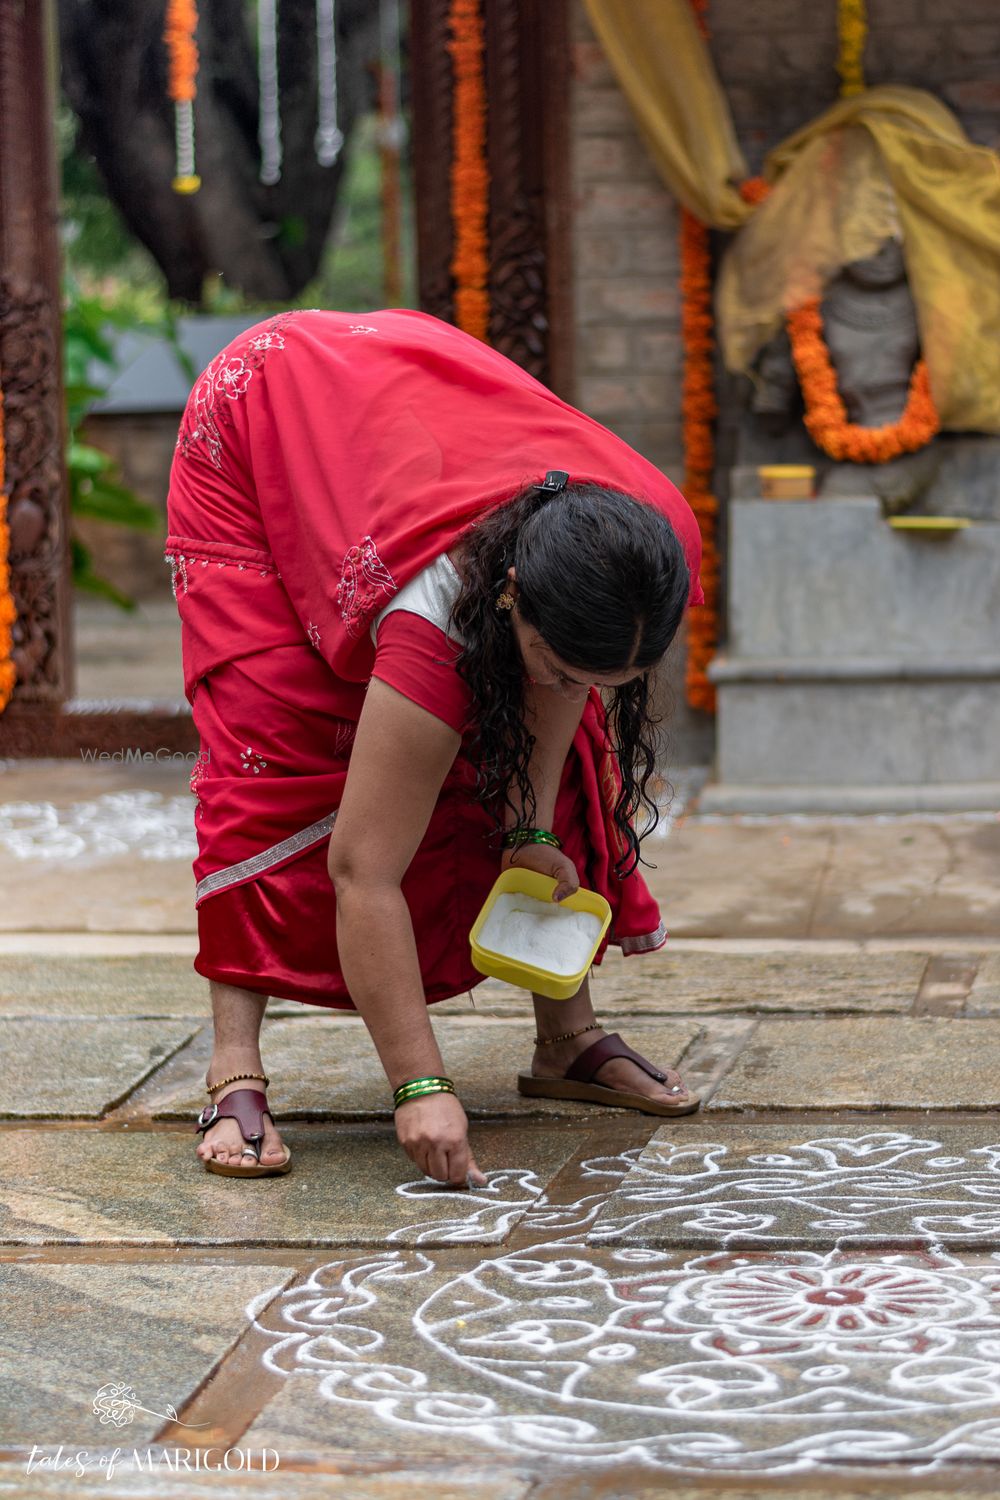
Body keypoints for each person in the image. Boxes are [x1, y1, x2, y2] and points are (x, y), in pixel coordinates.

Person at [164, 307, 706, 1189]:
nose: (578, 693)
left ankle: (566, 1041)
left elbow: (557, 701)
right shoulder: (438, 613)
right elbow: (362, 872)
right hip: (257, 426)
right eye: (562, 665)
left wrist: (528, 829)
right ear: (512, 596)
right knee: (275, 756)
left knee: (555, 738)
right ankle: (235, 1069)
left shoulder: (654, 547)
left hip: (392, 413)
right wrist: (419, 1084)